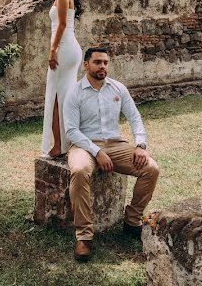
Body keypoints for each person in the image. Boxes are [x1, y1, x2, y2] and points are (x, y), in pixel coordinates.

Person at [63, 47, 160, 262]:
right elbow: (71, 131)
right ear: (86, 65)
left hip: (116, 144)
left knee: (151, 169)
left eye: (105, 62)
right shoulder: (75, 92)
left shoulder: (118, 88)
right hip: (84, 145)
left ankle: (132, 220)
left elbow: (134, 118)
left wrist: (140, 145)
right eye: (97, 62)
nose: (102, 67)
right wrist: (97, 152)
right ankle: (84, 236)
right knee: (79, 171)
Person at [41, 0, 83, 157]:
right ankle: (67, 143)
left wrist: (52, 50)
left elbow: (63, 25)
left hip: (64, 50)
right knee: (64, 97)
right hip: (68, 48)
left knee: (57, 98)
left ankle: (60, 146)